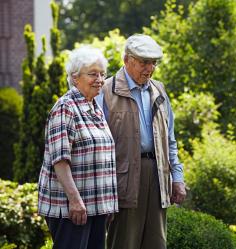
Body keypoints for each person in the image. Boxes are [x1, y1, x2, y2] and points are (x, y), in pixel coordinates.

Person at [96, 34, 186, 249]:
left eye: (153, 63)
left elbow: (170, 140)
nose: (150, 68)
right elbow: (97, 146)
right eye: (144, 62)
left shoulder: (159, 90)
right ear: (127, 60)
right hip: (123, 180)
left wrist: (178, 177)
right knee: (124, 244)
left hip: (157, 176)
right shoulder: (106, 91)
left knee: (157, 244)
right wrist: (103, 192)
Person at [38, 46, 118, 249]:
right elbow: (60, 160)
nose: (99, 79)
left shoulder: (94, 108)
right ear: (75, 78)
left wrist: (107, 205)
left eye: (102, 74)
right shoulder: (66, 108)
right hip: (72, 208)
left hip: (96, 206)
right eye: (92, 74)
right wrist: (75, 201)